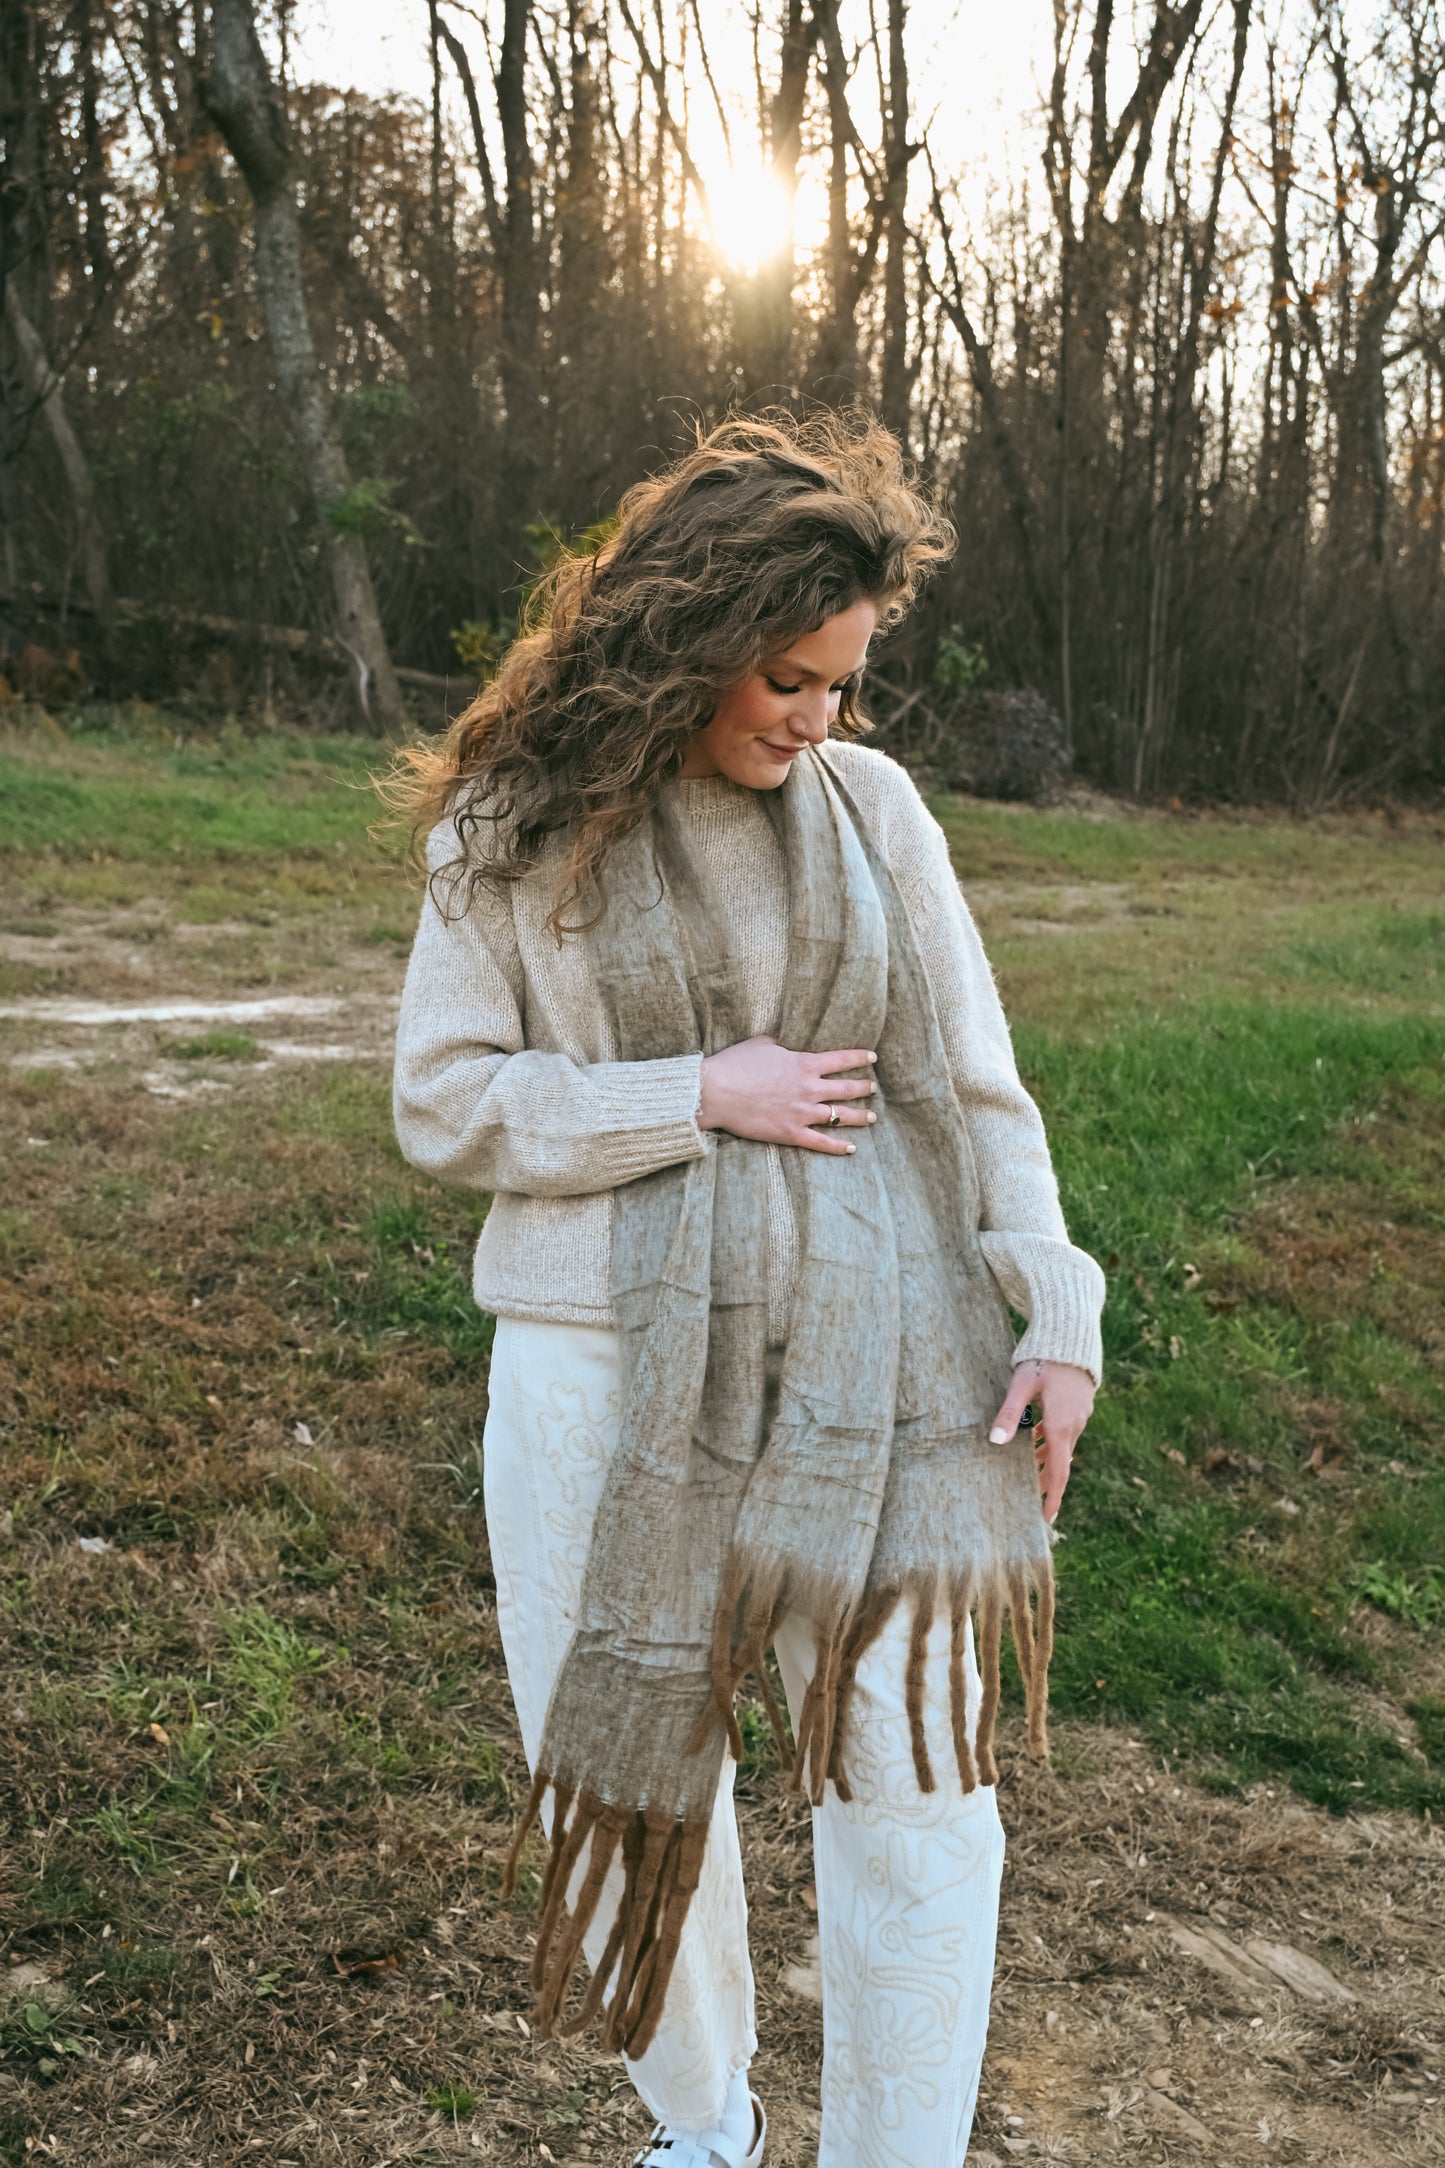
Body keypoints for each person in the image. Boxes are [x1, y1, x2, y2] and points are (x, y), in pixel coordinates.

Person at [389, 410, 1104, 2168]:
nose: (818, 719)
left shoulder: (876, 812)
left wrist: (1055, 1309)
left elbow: (971, 1082)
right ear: (685, 641)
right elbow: (442, 1100)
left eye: (844, 683)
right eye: (788, 679)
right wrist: (691, 1093)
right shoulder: (514, 825)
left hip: (886, 1368)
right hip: (600, 1373)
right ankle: (703, 2129)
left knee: (920, 1791)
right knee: (644, 1784)